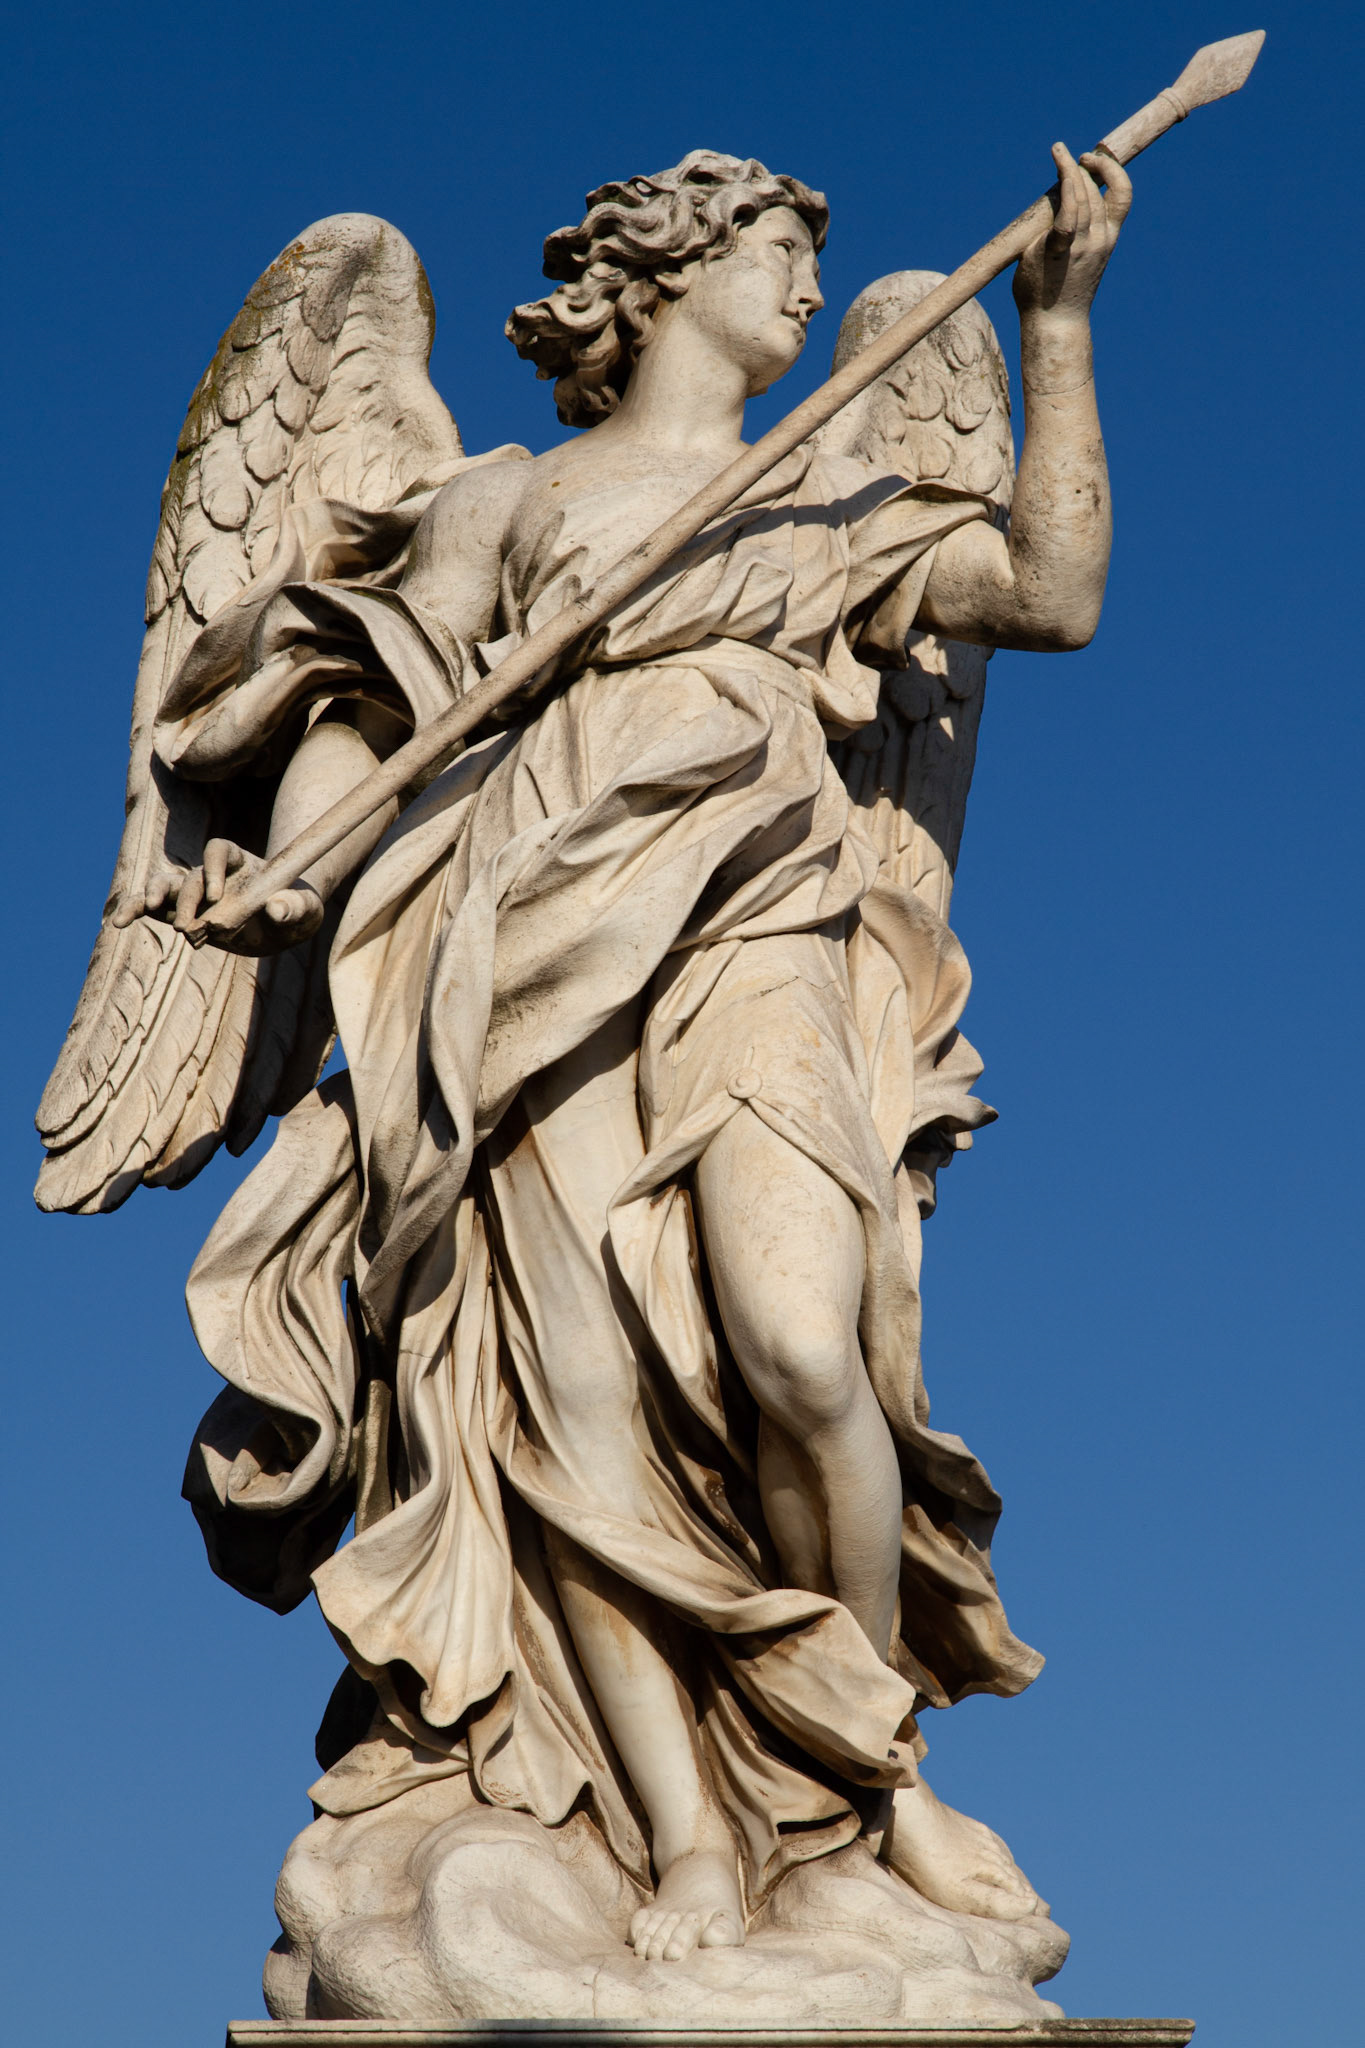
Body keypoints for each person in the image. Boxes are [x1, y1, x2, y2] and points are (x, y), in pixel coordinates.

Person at [147, 145, 1130, 1963]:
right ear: (662, 273)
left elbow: (1053, 594)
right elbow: (383, 703)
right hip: (522, 946)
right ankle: (687, 1835)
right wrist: (296, 886)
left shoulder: (831, 493)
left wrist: (1054, 328)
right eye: (773, 247)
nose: (803, 288)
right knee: (565, 1405)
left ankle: (856, 1778)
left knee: (798, 1348)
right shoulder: (506, 499)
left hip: (755, 925)